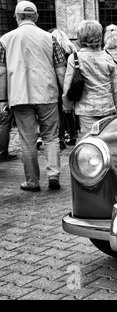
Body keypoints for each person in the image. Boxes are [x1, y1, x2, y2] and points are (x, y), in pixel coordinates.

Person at [0, 1, 66, 191]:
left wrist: (2, 100)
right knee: (51, 137)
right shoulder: (50, 38)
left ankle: (32, 181)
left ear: (17, 17)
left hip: (19, 96)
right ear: (36, 17)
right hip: (46, 93)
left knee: (27, 140)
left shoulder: (5, 39)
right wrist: (65, 96)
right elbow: (61, 70)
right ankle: (53, 175)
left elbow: (2, 72)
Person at [62, 20, 117, 135]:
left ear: (81, 36)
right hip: (107, 106)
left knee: (89, 142)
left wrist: (67, 107)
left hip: (85, 108)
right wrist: (115, 106)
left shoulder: (75, 58)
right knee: (105, 141)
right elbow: (114, 87)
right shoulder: (107, 57)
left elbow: (67, 86)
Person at [49, 28, 79, 149]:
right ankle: (73, 135)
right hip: (70, 80)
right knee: (69, 110)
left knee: (59, 112)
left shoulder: (53, 47)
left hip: (56, 80)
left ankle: (60, 139)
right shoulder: (71, 47)